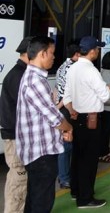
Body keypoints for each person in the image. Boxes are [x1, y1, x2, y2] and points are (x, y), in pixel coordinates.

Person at [16, 36, 73, 213]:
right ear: (42, 54)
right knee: (41, 203)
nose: (54, 57)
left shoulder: (34, 78)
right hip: (41, 154)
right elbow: (54, 118)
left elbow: (49, 112)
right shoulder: (35, 81)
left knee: (34, 199)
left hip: (38, 152)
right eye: (52, 53)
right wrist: (68, 128)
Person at [63, 36, 110, 209]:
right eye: (97, 49)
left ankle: (75, 190)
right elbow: (105, 96)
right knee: (89, 161)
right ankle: (85, 198)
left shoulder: (72, 68)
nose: (98, 52)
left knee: (77, 157)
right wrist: (105, 88)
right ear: (92, 51)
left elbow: (66, 96)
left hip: (76, 118)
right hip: (91, 120)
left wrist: (72, 110)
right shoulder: (91, 71)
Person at [0, 36, 32, 212]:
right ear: (30, 54)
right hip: (15, 136)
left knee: (20, 180)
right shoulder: (19, 76)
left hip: (18, 135)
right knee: (18, 181)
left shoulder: (21, 73)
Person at [54, 41, 80, 189]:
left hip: (64, 108)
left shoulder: (61, 67)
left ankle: (65, 176)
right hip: (68, 109)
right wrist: (69, 110)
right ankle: (64, 178)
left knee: (66, 144)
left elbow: (58, 89)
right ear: (76, 54)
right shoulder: (72, 69)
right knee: (66, 145)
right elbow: (66, 95)